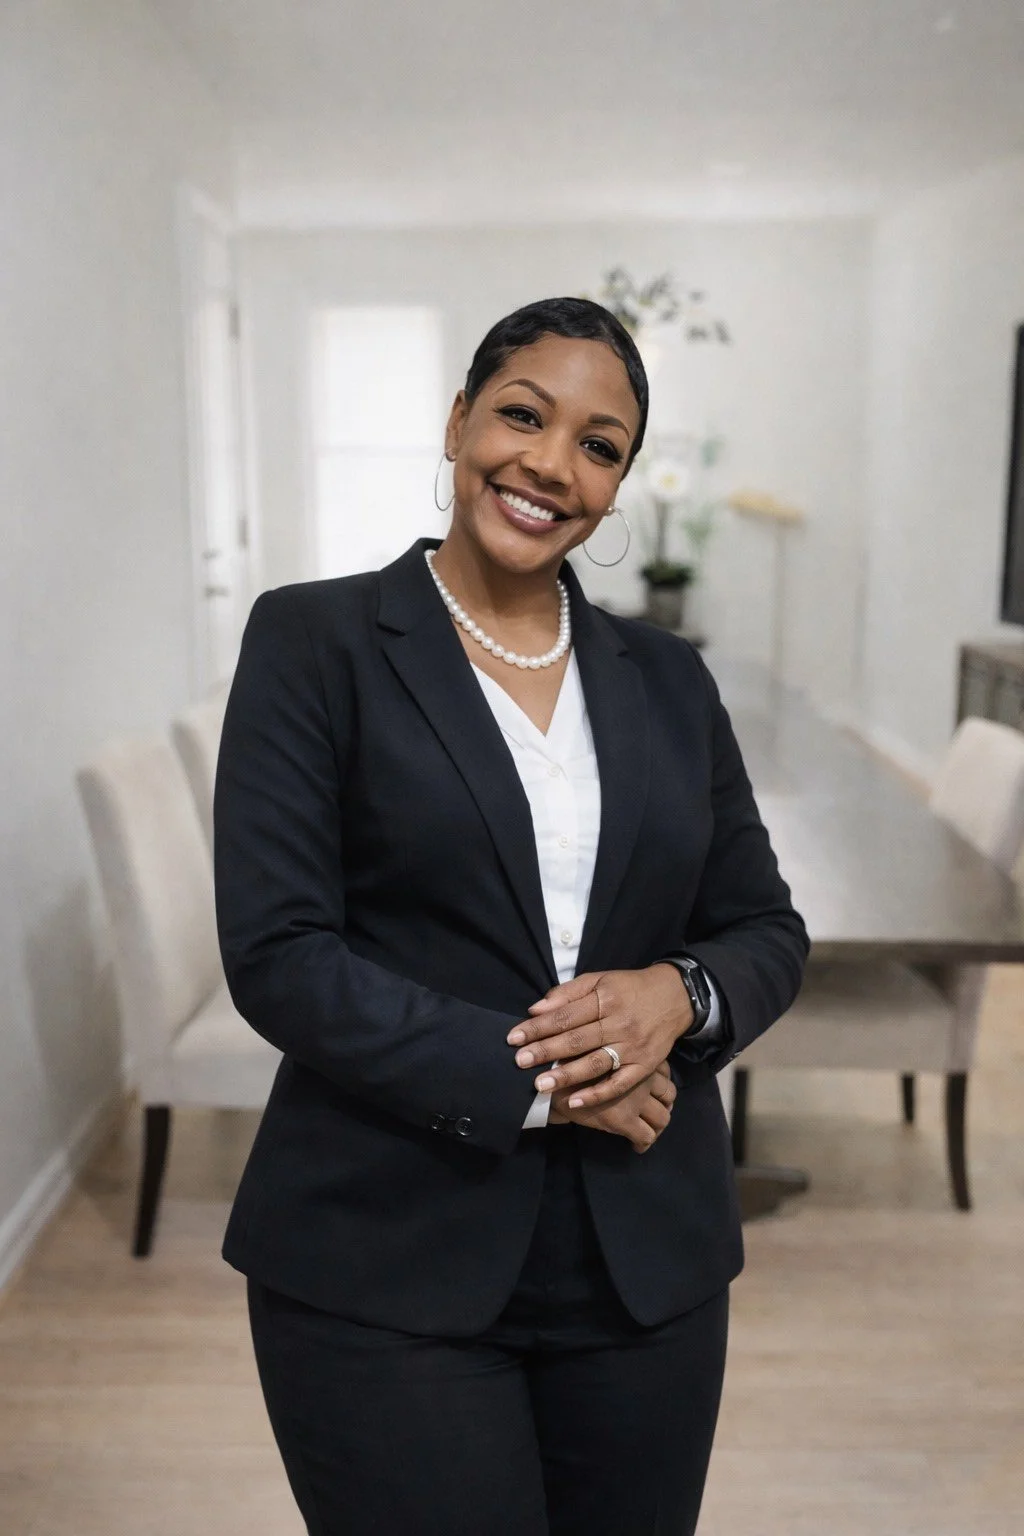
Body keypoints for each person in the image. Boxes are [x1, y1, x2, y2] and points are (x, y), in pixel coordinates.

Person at [213, 295, 809, 1536]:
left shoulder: (669, 680)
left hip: (647, 1269)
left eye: (598, 445)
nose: (550, 464)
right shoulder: (313, 640)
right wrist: (555, 1075)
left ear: (618, 486)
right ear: (457, 423)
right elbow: (279, 953)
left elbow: (763, 928)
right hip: (385, 1254)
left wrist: (677, 996)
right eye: (523, 415)